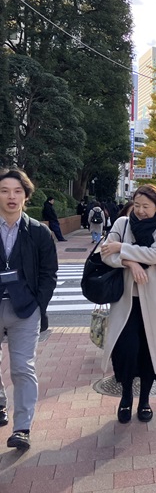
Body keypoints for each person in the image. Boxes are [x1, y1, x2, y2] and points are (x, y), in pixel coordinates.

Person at [99, 184, 156, 424]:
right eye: (137, 205)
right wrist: (130, 263)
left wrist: (122, 248)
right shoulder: (122, 223)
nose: (140, 211)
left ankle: (144, 401)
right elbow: (105, 253)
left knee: (149, 353)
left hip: (155, 300)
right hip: (126, 300)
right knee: (126, 351)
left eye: (146, 206)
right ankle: (125, 397)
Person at [0, 168, 58, 451]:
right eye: (4, 191)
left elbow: (49, 273)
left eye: (17, 191)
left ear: (26, 196)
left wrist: (38, 305)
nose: (11, 197)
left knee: (22, 368)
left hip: (24, 309)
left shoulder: (38, 231)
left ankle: (22, 428)